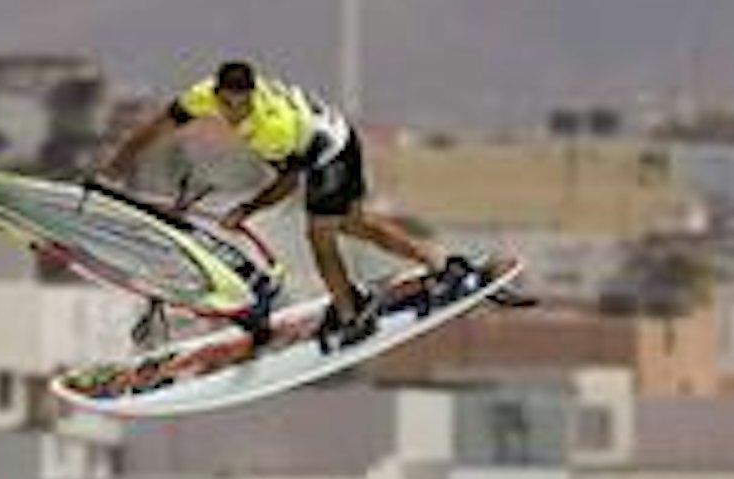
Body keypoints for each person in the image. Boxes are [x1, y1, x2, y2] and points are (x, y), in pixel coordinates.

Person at [97, 59, 476, 348]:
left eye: (241, 105)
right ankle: (439, 264)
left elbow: (288, 184)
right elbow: (154, 128)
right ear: (216, 93)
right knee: (354, 224)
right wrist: (113, 169)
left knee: (320, 236)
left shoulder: (271, 127)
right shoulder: (201, 96)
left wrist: (246, 210)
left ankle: (350, 315)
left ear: (251, 96)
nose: (233, 113)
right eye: (226, 104)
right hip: (332, 131)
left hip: (330, 151)